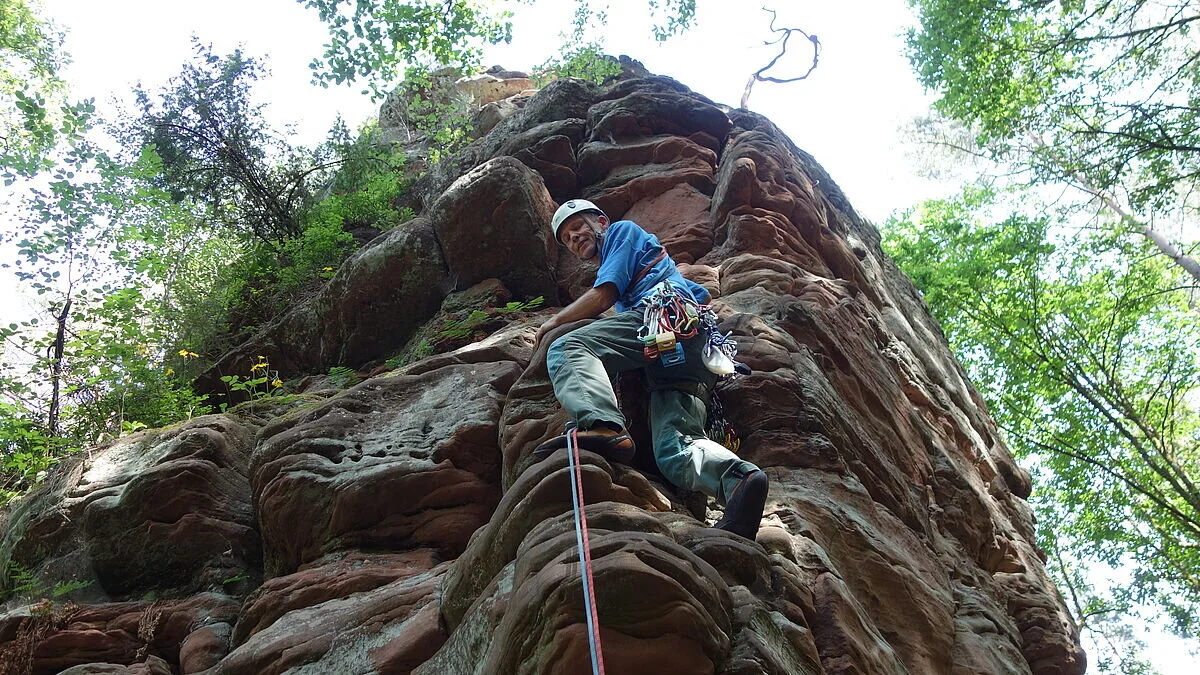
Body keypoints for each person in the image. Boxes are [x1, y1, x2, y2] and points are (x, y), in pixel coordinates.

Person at [533, 199, 768, 540]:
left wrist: (553, 321)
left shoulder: (622, 233)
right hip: (687, 351)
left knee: (569, 346)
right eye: (568, 238)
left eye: (578, 228)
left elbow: (603, 295)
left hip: (665, 320)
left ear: (600, 221)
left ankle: (603, 426)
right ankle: (739, 481)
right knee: (675, 448)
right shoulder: (626, 261)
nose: (574, 239)